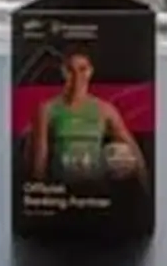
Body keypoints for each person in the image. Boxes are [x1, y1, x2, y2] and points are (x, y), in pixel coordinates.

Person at [29, 51, 143, 186]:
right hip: (62, 192)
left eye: (83, 69)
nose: (77, 77)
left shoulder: (105, 110)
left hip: (95, 191)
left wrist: (145, 188)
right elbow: (40, 159)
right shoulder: (47, 109)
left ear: (90, 71)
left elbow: (134, 151)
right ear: (63, 72)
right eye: (71, 70)